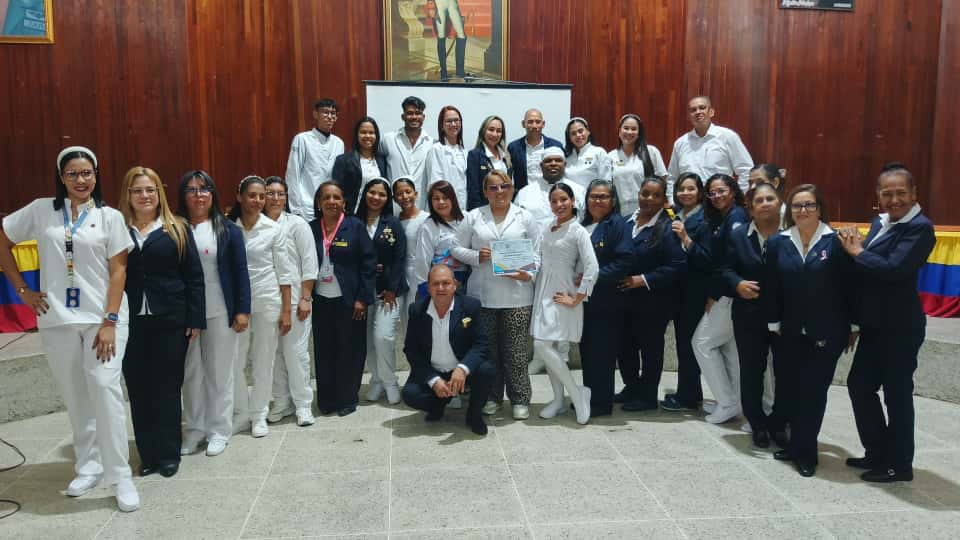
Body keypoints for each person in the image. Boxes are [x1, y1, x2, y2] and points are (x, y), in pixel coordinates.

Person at [0, 146, 140, 511]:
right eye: (73, 173)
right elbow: (3, 239)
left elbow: (119, 272)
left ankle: (119, 476)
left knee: (104, 387)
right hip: (57, 319)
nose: (81, 180)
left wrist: (109, 321)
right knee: (76, 395)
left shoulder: (109, 217)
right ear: (61, 177)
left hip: (103, 320)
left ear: (96, 175)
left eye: (87, 173)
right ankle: (89, 465)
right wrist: (23, 291)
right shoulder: (41, 210)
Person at [840, 167, 936, 483]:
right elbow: (867, 273)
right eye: (887, 193)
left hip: (900, 327)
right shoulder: (879, 222)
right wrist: (854, 320)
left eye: (901, 193)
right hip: (873, 324)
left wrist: (857, 251)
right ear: (878, 195)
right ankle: (878, 452)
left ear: (914, 193)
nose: (894, 199)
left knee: (896, 396)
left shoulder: (920, 228)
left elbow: (894, 269)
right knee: (859, 386)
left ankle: (899, 464)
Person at [119, 166, 204, 479]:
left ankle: (168, 454)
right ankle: (149, 455)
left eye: (150, 190)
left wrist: (195, 318)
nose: (145, 196)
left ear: (159, 194)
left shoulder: (177, 228)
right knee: (139, 388)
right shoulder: (117, 228)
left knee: (167, 388)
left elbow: (194, 276)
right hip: (130, 323)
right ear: (128, 195)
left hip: (171, 319)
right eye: (138, 190)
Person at [766, 184, 855, 477]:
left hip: (827, 331)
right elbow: (773, 287)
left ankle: (806, 454)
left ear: (820, 209)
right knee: (791, 391)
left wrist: (854, 325)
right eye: (797, 205)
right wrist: (773, 323)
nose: (803, 210)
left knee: (813, 393)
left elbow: (851, 288)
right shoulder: (778, 242)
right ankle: (795, 445)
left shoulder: (836, 241)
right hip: (789, 331)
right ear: (789, 210)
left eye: (809, 205)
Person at [452, 170, 540, 420]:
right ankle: (492, 397)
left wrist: (528, 273)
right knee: (489, 352)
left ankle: (520, 399)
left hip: (518, 297)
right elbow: (455, 248)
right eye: (493, 187)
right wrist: (476, 256)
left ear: (512, 189)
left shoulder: (525, 217)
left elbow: (537, 253)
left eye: (504, 186)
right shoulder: (473, 217)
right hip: (483, 296)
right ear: (485, 192)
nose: (499, 192)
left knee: (516, 352)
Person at [179, 170, 251, 458]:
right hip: (186, 315)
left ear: (213, 194)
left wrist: (242, 311)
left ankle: (219, 430)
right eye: (192, 190)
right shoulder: (175, 228)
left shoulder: (228, 230)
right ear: (183, 195)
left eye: (204, 189)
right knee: (191, 375)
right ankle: (195, 429)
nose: (199, 195)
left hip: (221, 311)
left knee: (220, 374)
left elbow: (241, 273)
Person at [720, 182, 787, 448]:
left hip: (785, 315)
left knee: (785, 371)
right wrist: (737, 284)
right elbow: (725, 269)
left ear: (779, 202)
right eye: (759, 200)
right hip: (748, 314)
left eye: (770, 198)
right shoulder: (738, 235)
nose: (765, 204)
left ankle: (779, 422)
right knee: (751, 370)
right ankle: (757, 423)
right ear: (750, 207)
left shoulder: (792, 233)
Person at [228, 176, 294, 437]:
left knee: (263, 360)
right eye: (252, 195)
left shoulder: (273, 229)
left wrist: (286, 311)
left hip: (267, 300)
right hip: (237, 305)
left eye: (261, 196)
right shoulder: (228, 228)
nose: (257, 200)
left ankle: (258, 414)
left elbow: (285, 273)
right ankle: (242, 412)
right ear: (240, 196)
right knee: (235, 359)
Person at [528, 183, 599, 424]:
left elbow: (592, 267)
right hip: (543, 291)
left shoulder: (578, 231)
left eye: (563, 200)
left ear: (572, 201)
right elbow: (537, 258)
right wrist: (523, 271)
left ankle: (577, 394)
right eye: (554, 201)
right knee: (548, 347)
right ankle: (558, 400)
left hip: (562, 293)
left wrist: (578, 297)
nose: (559, 205)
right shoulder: (547, 227)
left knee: (541, 345)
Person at [617, 178, 687, 411]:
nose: (649, 199)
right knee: (625, 347)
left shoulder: (669, 227)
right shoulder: (626, 222)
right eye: (645, 193)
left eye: (656, 195)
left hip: (654, 301)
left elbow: (676, 266)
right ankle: (631, 387)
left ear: (664, 199)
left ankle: (647, 397)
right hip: (624, 299)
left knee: (650, 349)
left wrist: (642, 280)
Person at [402, 264, 494, 435]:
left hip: (461, 370)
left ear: (455, 285)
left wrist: (463, 368)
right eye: (435, 284)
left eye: (446, 283)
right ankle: (438, 404)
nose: (441, 288)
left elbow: (481, 344)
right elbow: (411, 350)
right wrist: (433, 379)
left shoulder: (470, 306)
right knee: (410, 394)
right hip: (435, 370)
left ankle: (474, 415)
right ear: (428, 287)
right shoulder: (417, 310)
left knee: (486, 370)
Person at [310, 181, 376, 417]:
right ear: (319, 203)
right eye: (326, 197)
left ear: (344, 203)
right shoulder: (310, 228)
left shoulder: (355, 226)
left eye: (336, 197)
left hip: (350, 301)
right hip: (320, 301)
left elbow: (368, 265)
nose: (331, 201)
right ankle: (327, 400)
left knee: (350, 350)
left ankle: (348, 398)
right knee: (324, 350)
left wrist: (362, 299)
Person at [690, 174, 749, 424]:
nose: (716, 196)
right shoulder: (722, 218)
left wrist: (714, 294)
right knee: (730, 351)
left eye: (721, 191)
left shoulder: (737, 217)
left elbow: (729, 260)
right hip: (728, 293)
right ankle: (736, 402)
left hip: (728, 294)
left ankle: (727, 402)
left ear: (733, 191)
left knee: (701, 343)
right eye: (712, 193)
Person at [262, 177, 319, 427]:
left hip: (296, 301)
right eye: (270, 193)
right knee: (273, 355)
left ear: (286, 197)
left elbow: (309, 263)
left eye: (280, 194)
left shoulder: (297, 224)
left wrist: (306, 297)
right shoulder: (257, 224)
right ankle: (282, 401)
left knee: (296, 354)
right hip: (266, 300)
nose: (275, 198)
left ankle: (303, 405)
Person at [579, 180, 633, 416]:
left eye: (603, 196)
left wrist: (590, 278)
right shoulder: (584, 224)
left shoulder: (617, 225)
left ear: (613, 201)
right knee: (588, 353)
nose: (597, 200)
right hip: (584, 302)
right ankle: (589, 397)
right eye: (593, 196)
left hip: (606, 301)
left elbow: (624, 262)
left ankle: (601, 403)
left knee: (602, 354)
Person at [356, 178, 408, 405]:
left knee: (383, 336)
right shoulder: (354, 221)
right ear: (365, 194)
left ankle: (390, 382)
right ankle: (376, 380)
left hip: (389, 292)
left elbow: (399, 257)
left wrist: (392, 289)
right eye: (372, 192)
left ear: (388, 199)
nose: (376, 197)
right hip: (363, 292)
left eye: (382, 194)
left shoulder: (392, 223)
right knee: (367, 341)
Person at [661, 173, 709, 412]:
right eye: (681, 189)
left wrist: (684, 236)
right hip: (676, 289)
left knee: (688, 344)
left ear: (700, 192)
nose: (686, 193)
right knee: (682, 343)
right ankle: (691, 392)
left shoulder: (705, 219)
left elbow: (706, 258)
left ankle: (687, 396)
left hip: (694, 290)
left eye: (691, 189)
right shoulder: (676, 214)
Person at [667, 96, 753, 198]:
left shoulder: (727, 137)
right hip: (689, 203)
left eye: (702, 108)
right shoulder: (680, 143)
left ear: (711, 112)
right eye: (693, 110)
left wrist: (739, 196)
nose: (698, 112)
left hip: (720, 201)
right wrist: (672, 201)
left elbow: (746, 169)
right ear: (689, 116)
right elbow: (672, 177)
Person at [285, 98, 345, 220]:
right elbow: (292, 174)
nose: (329, 117)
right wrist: (296, 209)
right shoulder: (302, 139)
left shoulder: (339, 143)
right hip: (305, 206)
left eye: (333, 113)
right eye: (325, 112)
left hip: (329, 206)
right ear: (315, 114)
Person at [413, 180, 467, 296]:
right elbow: (422, 261)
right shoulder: (428, 226)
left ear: (452, 198)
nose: (441, 202)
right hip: (441, 285)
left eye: (445, 197)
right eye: (436, 199)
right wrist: (424, 289)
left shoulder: (466, 218)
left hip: (469, 281)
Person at [608, 114, 668, 218]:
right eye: (626, 128)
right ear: (619, 131)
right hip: (620, 212)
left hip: (649, 209)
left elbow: (663, 181)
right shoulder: (610, 156)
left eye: (634, 129)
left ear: (639, 133)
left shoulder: (651, 152)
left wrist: (669, 208)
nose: (629, 132)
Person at [381, 96, 434, 206]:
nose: (414, 117)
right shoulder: (388, 140)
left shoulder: (432, 144)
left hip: (422, 206)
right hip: (394, 206)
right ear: (403, 116)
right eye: (410, 113)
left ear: (423, 117)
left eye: (418, 113)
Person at [515, 147, 586, 227]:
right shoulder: (524, 193)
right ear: (541, 165)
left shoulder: (579, 191)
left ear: (565, 164)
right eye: (548, 161)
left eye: (558, 160)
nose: (553, 164)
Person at [331, 116, 389, 215]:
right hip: (352, 214)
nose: (367, 136)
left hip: (376, 215)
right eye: (363, 132)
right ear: (356, 135)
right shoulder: (343, 160)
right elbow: (336, 190)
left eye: (371, 133)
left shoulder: (382, 160)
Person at [394, 177, 431, 324]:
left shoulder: (427, 219)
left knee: (418, 319)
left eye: (408, 192)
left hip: (421, 274)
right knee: (403, 321)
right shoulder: (394, 221)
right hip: (400, 276)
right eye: (399, 194)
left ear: (415, 194)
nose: (404, 197)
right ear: (394, 199)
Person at [507, 108, 564, 193]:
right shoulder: (513, 147)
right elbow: (508, 175)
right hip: (523, 195)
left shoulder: (555, 146)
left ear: (543, 124)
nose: (534, 126)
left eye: (538, 122)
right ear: (523, 124)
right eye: (530, 122)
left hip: (550, 194)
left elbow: (563, 172)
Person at [426, 105, 469, 209]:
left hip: (464, 207)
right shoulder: (436, 149)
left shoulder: (464, 151)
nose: (453, 124)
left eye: (456, 120)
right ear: (441, 126)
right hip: (444, 208)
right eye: (449, 121)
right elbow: (435, 184)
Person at [466, 115, 512, 210]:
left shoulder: (506, 156)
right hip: (484, 210)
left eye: (499, 131)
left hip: (505, 209)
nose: (494, 134)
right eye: (491, 129)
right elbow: (473, 191)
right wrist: (477, 214)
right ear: (483, 131)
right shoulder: (475, 155)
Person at [563, 117, 611, 189]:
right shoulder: (566, 157)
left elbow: (606, 181)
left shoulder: (599, 152)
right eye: (573, 133)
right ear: (569, 138)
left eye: (580, 131)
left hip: (593, 195)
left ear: (588, 132)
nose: (578, 135)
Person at [433, 0, 467, 80]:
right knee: (441, 37)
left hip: (452, 3)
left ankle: (460, 72)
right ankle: (444, 73)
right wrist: (432, 8)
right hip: (439, 5)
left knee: (462, 36)